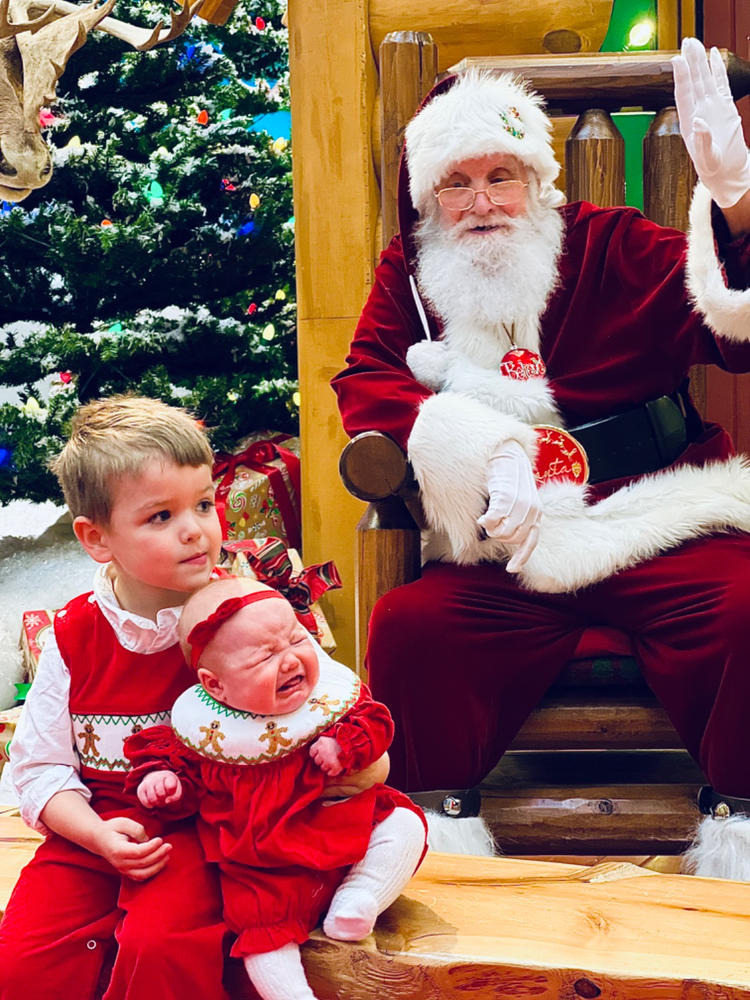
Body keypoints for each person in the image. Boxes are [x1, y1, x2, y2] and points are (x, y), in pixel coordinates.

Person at [332, 37, 750, 879]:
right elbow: (365, 380)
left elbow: (730, 331)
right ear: (430, 198)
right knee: (411, 628)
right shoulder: (412, 277)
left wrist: (734, 207)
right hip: (503, 542)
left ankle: (738, 826)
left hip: (655, 516)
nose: (481, 201)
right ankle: (436, 840)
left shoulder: (613, 244)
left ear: (537, 181)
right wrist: (485, 454)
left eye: (501, 176)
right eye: (456, 183)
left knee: (746, 606)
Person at [0, 394, 246, 1000]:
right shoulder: (74, 636)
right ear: (97, 538)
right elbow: (41, 767)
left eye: (204, 504)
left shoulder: (244, 613)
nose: (196, 529)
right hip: (91, 831)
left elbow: (313, 702)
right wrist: (95, 835)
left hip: (198, 833)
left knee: (162, 950)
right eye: (160, 516)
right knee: (24, 961)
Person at [124, 575, 427, 1000]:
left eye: (295, 639)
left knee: (404, 825)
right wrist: (164, 782)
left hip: (343, 823)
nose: (289, 659)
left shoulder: (329, 700)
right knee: (262, 933)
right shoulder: (209, 732)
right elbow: (182, 772)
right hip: (267, 859)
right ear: (215, 686)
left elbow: (376, 722)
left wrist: (347, 746)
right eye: (264, 656)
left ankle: (360, 897)